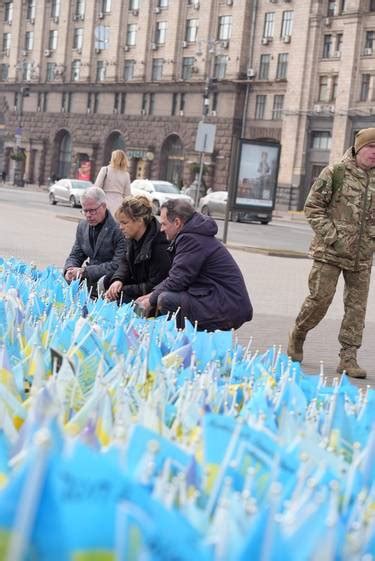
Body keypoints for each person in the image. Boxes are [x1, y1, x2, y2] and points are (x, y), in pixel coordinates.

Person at [287, 127, 375, 379]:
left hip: (362, 256)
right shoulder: (336, 172)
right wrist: (333, 237)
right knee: (320, 300)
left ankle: (348, 358)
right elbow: (313, 207)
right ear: (359, 148)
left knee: (357, 308)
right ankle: (299, 333)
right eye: (371, 147)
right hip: (330, 252)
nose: (374, 153)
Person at [136, 199, 253, 331]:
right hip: (222, 301)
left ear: (177, 222)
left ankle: (183, 344)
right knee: (162, 296)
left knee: (166, 300)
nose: (161, 229)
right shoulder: (193, 235)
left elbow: (178, 280)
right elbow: (177, 276)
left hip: (226, 305)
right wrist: (151, 295)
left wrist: (151, 300)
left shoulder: (191, 239)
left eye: (164, 224)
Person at [102, 195, 171, 306]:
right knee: (109, 280)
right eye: (120, 223)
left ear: (139, 221)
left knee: (119, 293)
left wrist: (123, 289)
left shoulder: (159, 243)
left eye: (124, 223)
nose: (120, 227)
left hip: (155, 291)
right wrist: (118, 280)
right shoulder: (132, 236)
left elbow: (155, 283)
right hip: (140, 281)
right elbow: (125, 262)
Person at [64, 186, 126, 296]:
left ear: (104, 206)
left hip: (109, 282)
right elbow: (76, 254)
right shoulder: (82, 226)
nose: (88, 215)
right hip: (86, 279)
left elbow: (117, 264)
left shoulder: (119, 229)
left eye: (92, 210)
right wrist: (69, 269)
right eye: (85, 210)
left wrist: (84, 272)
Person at [94, 149, 131, 215]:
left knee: (103, 222)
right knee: (116, 223)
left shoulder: (105, 170)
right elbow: (127, 194)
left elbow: (97, 187)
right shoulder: (126, 174)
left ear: (113, 158)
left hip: (105, 200)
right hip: (119, 203)